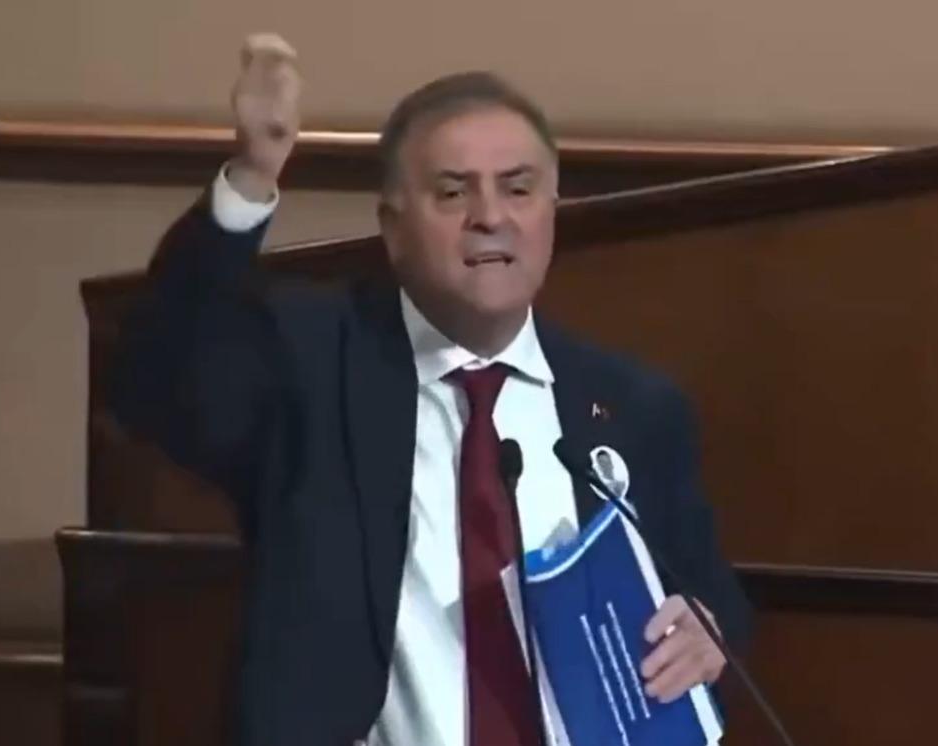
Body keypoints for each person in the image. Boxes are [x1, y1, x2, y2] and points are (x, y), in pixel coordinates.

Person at [112, 32, 750, 746]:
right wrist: (251, 178)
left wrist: (707, 631)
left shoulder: (632, 406)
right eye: (453, 192)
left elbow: (706, 596)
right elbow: (156, 376)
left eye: (518, 188)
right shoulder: (312, 364)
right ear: (393, 228)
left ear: (551, 211)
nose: (491, 217)